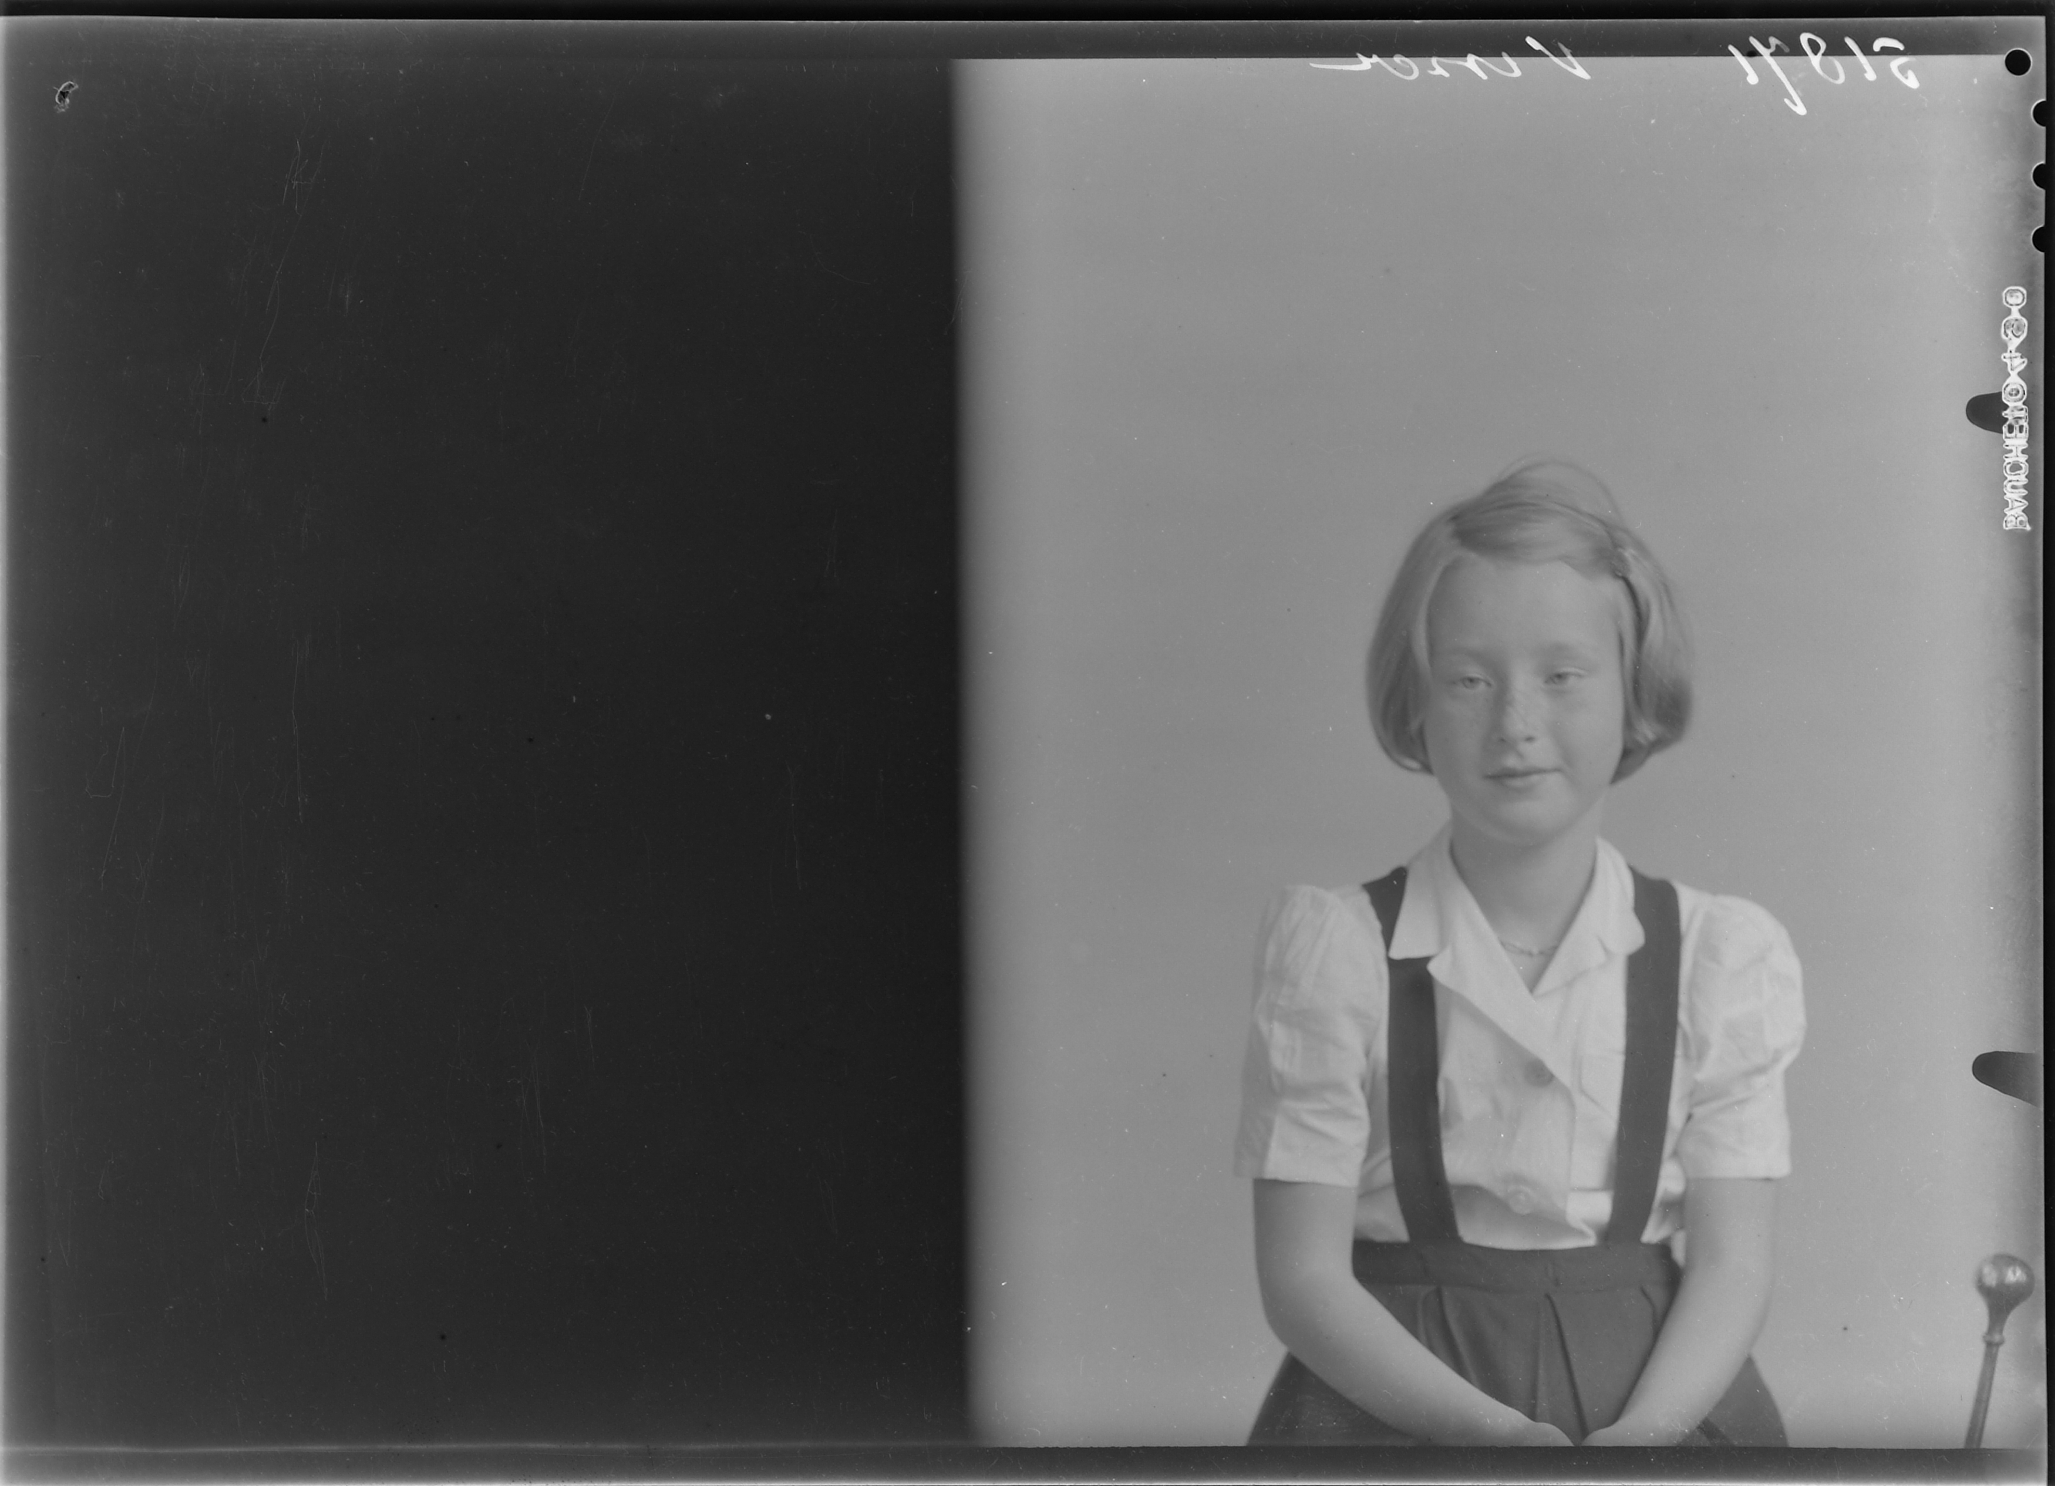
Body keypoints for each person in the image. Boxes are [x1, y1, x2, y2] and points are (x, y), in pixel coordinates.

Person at [1234, 461, 1803, 1446]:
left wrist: (1643, 1443)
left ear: (1632, 694)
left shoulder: (1718, 955)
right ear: (1415, 704)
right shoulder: (1338, 950)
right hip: (1397, 1412)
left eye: (1562, 676)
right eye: (1468, 679)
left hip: (1655, 1408)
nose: (1515, 724)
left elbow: (1733, 1264)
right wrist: (1495, 1443)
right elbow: (1301, 1279)